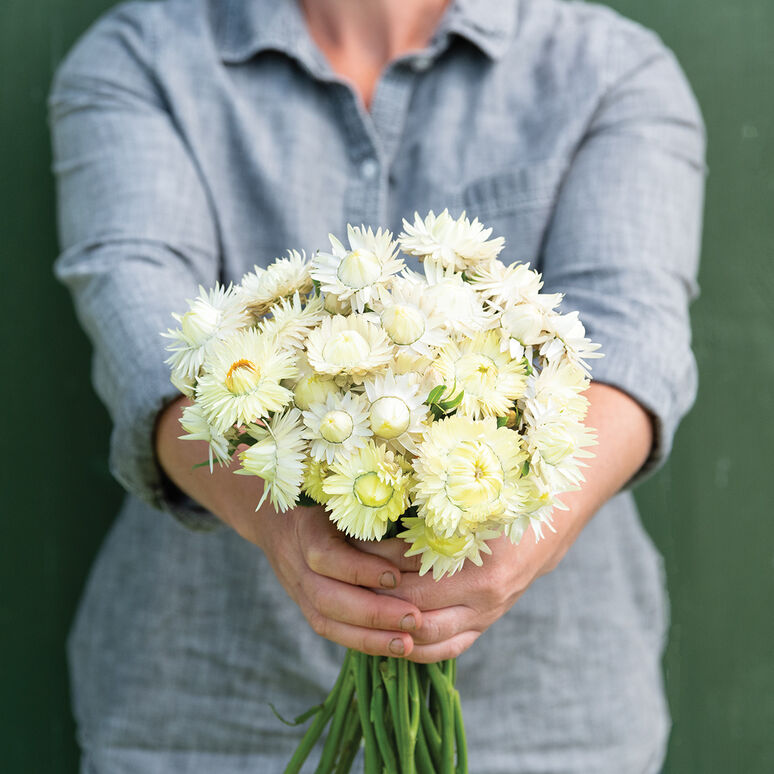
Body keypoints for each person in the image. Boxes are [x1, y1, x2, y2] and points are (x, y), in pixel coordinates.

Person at [50, 0, 705, 771]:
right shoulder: (142, 57)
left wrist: (506, 542)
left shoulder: (612, 69)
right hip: (204, 706)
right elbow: (141, 324)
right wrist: (281, 526)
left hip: (546, 716)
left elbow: (634, 338)